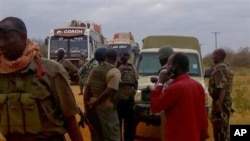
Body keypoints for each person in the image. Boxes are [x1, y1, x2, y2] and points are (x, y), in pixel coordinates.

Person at [0, 17, 83, 141]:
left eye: (6, 38)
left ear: (23, 37)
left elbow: (69, 118)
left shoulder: (51, 70)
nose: (1, 43)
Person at [150, 53, 209, 141]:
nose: (167, 68)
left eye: (169, 64)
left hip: (177, 137)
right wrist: (203, 135)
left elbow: (155, 106)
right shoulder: (197, 85)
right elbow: (202, 115)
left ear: (175, 66)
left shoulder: (175, 88)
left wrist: (160, 82)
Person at [83, 47, 121, 141]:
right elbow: (109, 91)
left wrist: (87, 107)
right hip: (106, 106)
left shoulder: (95, 70)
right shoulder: (115, 71)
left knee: (96, 134)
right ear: (116, 58)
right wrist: (95, 104)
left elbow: (87, 89)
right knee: (112, 135)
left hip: (92, 104)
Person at [208, 48, 233, 141]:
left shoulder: (220, 69)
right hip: (223, 100)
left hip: (221, 101)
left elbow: (222, 88)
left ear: (219, 56)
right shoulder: (224, 67)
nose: (212, 56)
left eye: (214, 55)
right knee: (222, 124)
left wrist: (219, 105)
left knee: (220, 126)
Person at [117, 51, 138, 141]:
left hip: (129, 99)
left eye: (127, 55)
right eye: (124, 55)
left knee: (129, 125)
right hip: (118, 100)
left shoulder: (131, 66)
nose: (125, 57)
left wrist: (133, 93)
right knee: (117, 125)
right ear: (120, 56)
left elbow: (135, 81)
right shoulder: (116, 66)